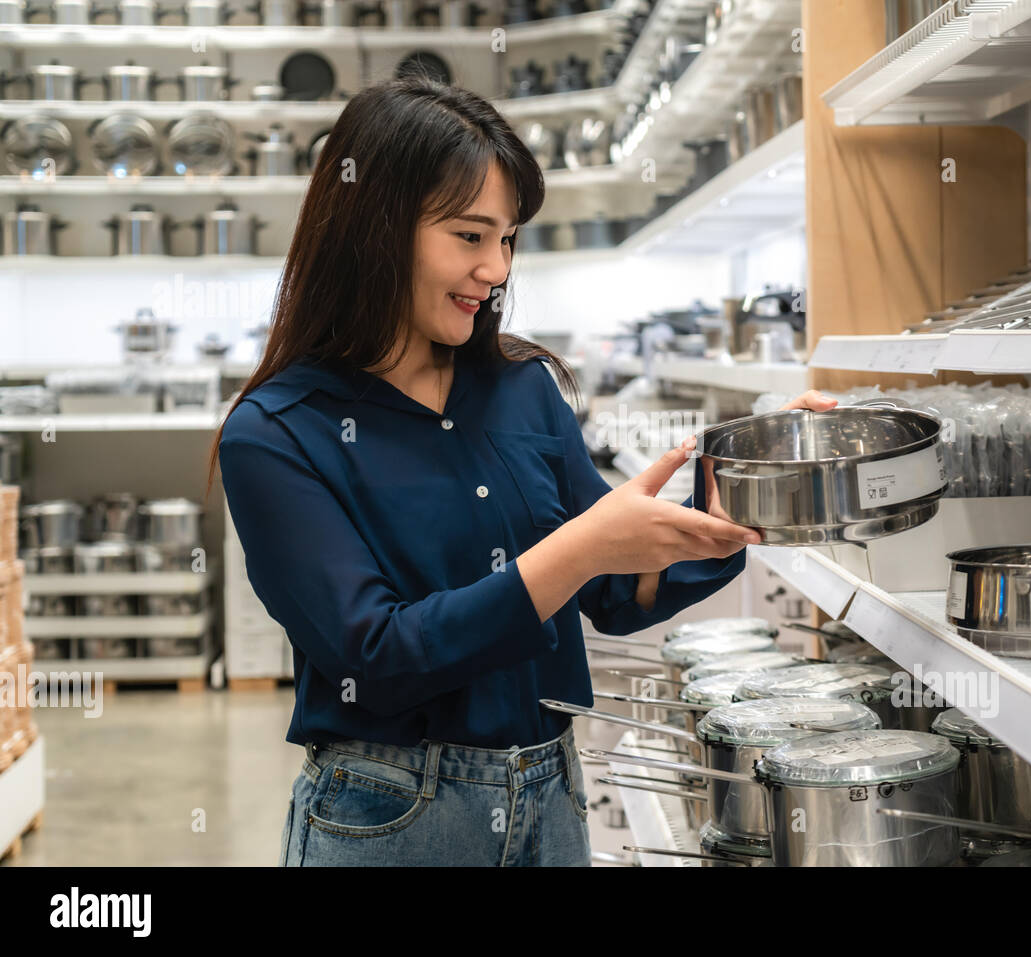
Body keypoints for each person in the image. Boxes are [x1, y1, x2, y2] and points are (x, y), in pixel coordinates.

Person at [208, 77, 835, 866]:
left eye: (507, 239)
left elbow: (611, 592)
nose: (497, 269)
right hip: (392, 817)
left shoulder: (520, 387)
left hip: (550, 797)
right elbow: (380, 656)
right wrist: (583, 546)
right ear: (375, 228)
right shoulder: (277, 433)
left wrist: (752, 479)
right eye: (470, 236)